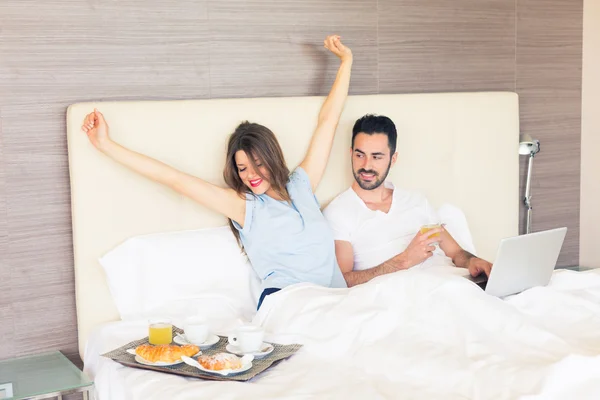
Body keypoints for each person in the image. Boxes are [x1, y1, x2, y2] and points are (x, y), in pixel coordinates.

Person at [81, 35, 352, 309]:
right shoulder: (247, 206)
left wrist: (346, 62)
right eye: (242, 168)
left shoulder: (301, 186)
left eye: (258, 164)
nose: (251, 175)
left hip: (335, 301)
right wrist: (106, 145)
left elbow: (328, 121)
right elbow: (174, 179)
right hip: (289, 303)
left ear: (272, 157)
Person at [323, 114, 493, 287]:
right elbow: (342, 281)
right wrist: (403, 261)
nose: (367, 165)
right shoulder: (339, 212)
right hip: (398, 295)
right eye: (360, 155)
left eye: (377, 157)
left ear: (393, 159)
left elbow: (456, 253)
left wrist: (472, 261)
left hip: (448, 284)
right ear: (351, 153)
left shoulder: (416, 201)